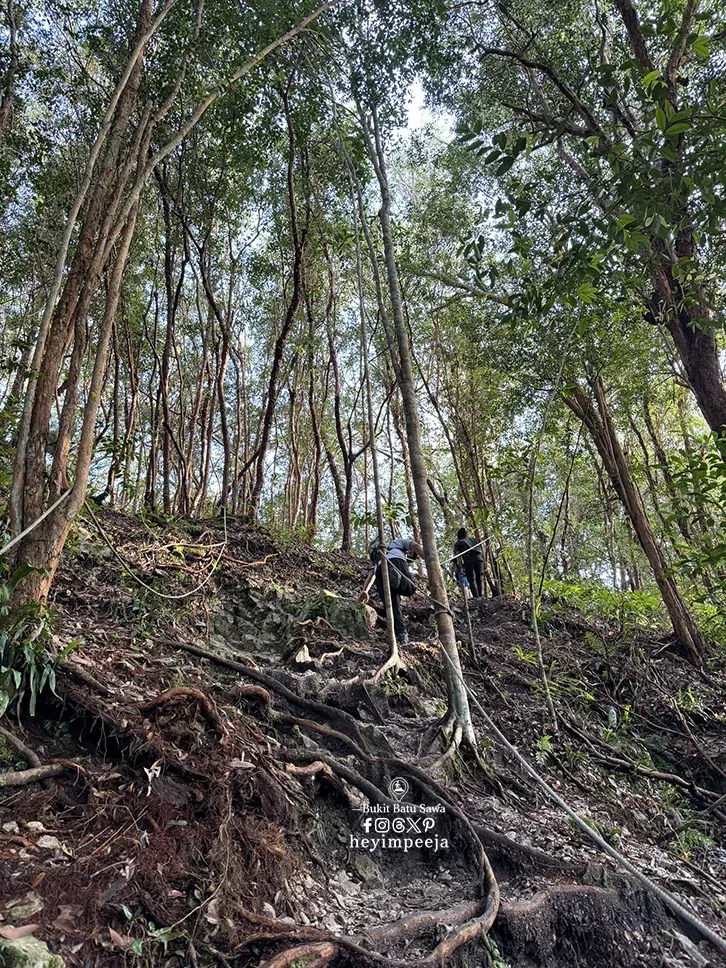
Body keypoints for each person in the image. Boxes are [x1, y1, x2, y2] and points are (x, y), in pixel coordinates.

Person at [367, 535, 424, 646]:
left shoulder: (378, 554)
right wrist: (426, 556)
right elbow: (415, 545)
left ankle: (401, 633)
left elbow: (371, 574)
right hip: (395, 562)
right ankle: (394, 575)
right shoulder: (398, 543)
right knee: (411, 588)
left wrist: (365, 590)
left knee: (393, 606)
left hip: (379, 569)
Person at [453, 527, 483, 599]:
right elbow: (479, 549)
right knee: (479, 579)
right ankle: (480, 596)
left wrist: (461, 567)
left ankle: (476, 597)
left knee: (471, 580)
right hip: (479, 559)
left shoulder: (458, 543)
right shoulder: (473, 539)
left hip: (469, 561)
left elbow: (458, 557)